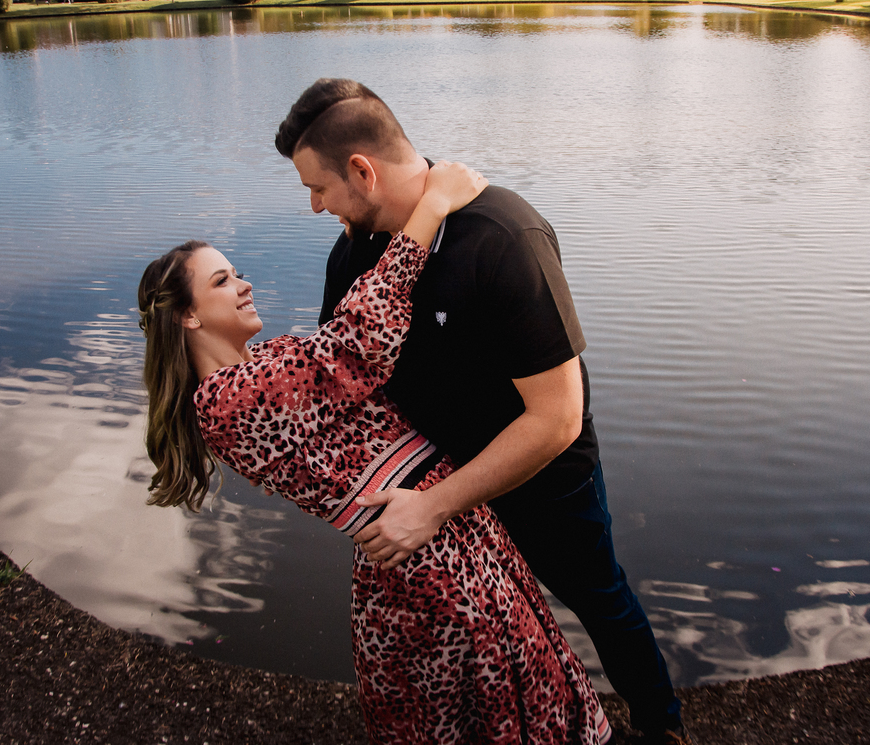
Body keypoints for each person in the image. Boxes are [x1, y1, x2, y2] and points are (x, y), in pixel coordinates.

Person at [137, 162, 613, 745]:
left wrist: (364, 232)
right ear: (187, 316)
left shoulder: (267, 362)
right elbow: (355, 345)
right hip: (430, 561)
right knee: (492, 706)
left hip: (441, 530)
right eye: (221, 282)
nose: (244, 284)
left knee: (509, 688)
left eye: (237, 273)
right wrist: (428, 209)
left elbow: (350, 354)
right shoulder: (227, 402)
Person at [276, 79, 691, 745]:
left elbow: (557, 419)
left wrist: (435, 506)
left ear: (363, 170)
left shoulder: (503, 236)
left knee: (600, 599)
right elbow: (345, 376)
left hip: (541, 482)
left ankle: (661, 725)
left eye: (318, 188)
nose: (316, 206)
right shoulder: (355, 252)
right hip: (434, 487)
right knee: (476, 631)